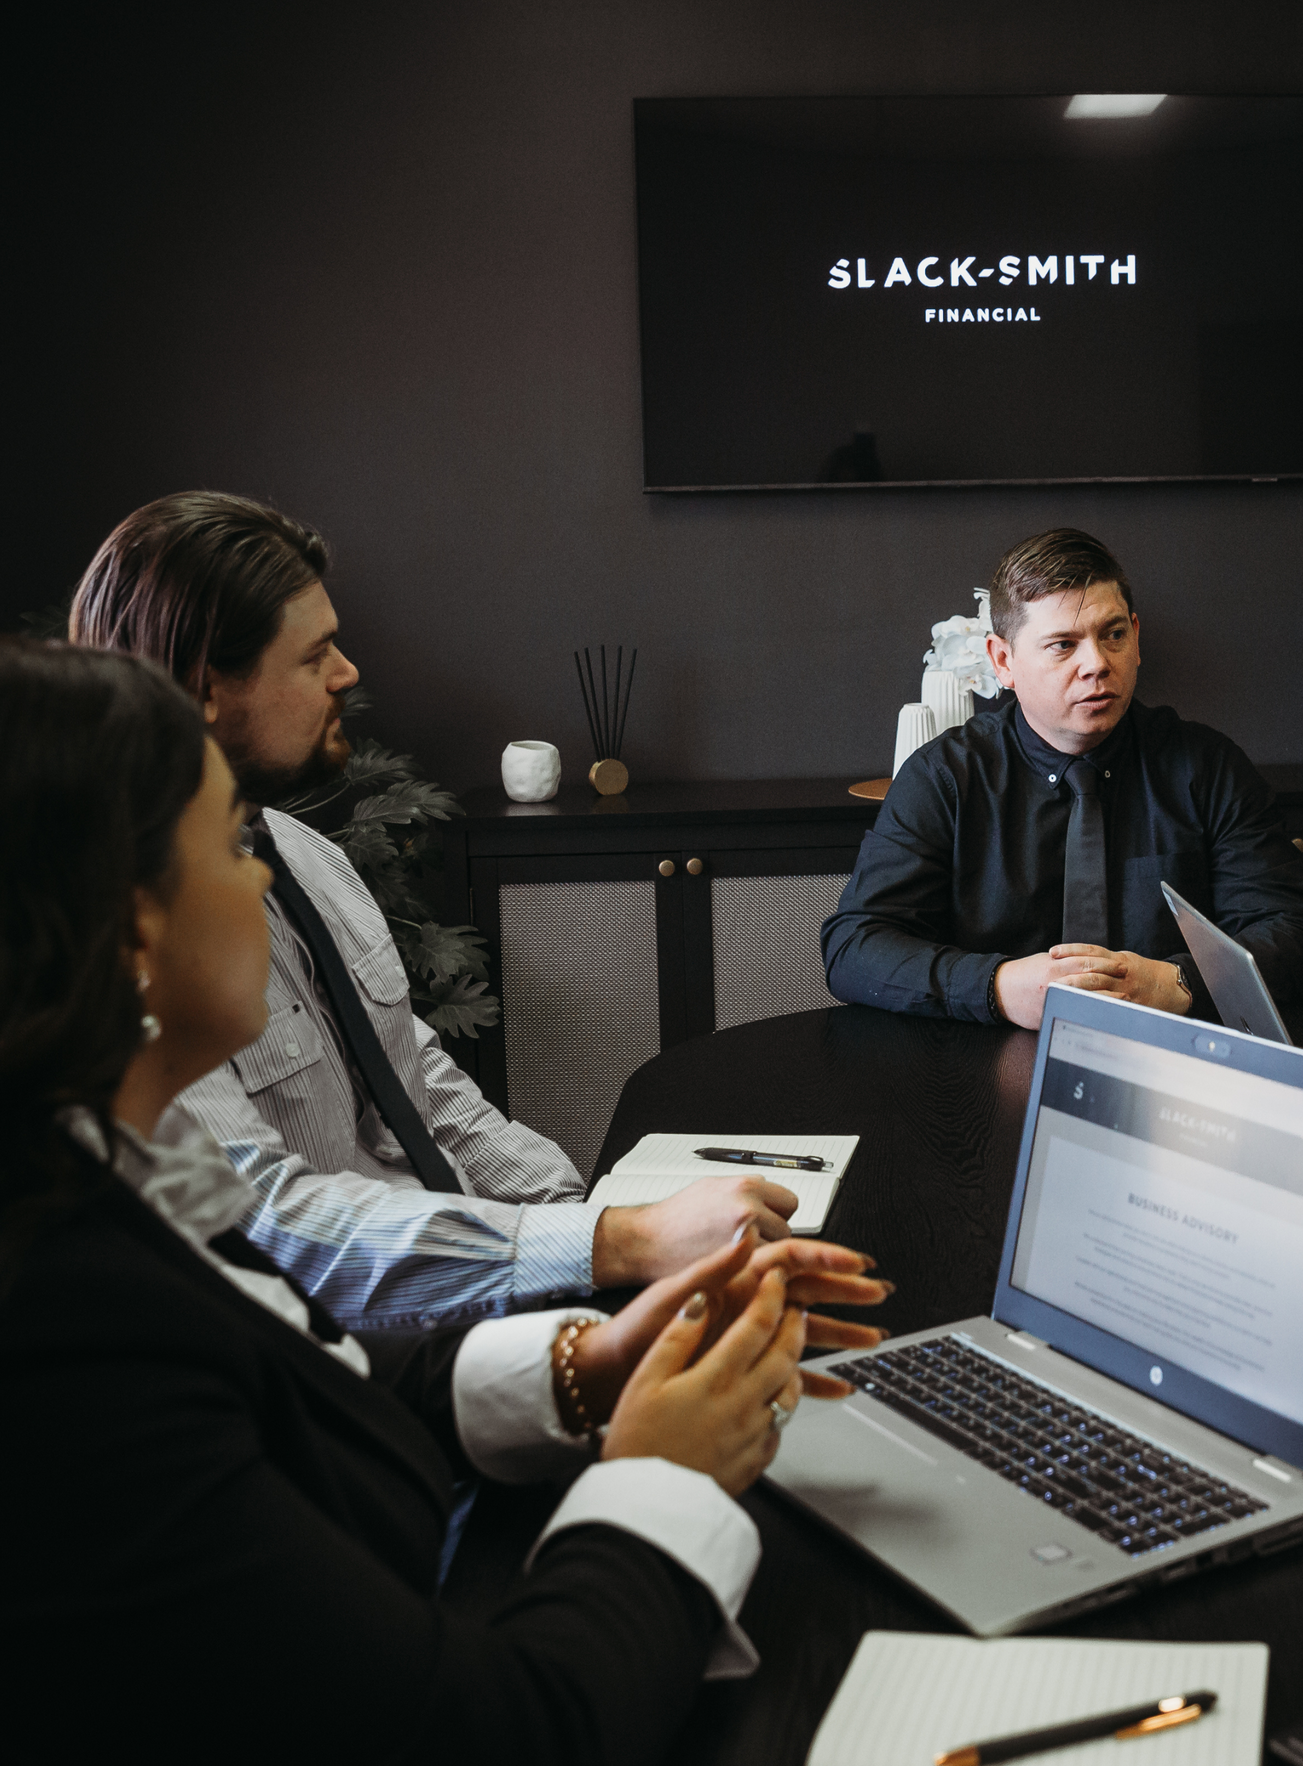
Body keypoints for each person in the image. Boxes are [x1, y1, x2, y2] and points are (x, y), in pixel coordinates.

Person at [0, 637, 890, 1756]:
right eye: (228, 842)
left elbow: (308, 1379)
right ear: (136, 925)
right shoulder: (64, 1340)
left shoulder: (102, 1169)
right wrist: (664, 1474)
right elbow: (504, 1730)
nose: (260, 875)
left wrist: (586, 1367)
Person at [71, 492, 795, 1328]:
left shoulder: (309, 858)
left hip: (483, 1291)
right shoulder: (125, 949)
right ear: (206, 689)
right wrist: (614, 1242)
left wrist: (587, 1222)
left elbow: (421, 1089)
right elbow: (268, 1225)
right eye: (315, 657)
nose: (348, 673)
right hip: (359, 1346)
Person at [822, 528, 1303, 1028]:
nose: (1097, 665)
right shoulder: (945, 776)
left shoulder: (1208, 767)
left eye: (1113, 635)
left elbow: (1296, 938)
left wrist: (1177, 982)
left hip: (1173, 1063)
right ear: (1003, 661)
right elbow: (855, 947)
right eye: (1063, 645)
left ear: (1135, 635)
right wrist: (996, 987)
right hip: (985, 1069)